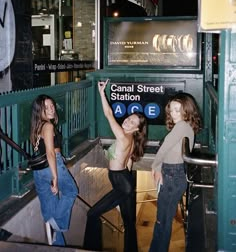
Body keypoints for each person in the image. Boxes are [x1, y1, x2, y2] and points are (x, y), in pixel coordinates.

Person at [83, 79, 147, 252]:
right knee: (128, 222)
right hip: (124, 179)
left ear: (136, 130)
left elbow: (109, 114)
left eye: (132, 122)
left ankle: (91, 248)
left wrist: (102, 93)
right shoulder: (131, 139)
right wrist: (129, 188)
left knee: (92, 213)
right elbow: (129, 162)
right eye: (129, 118)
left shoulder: (123, 136)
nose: (127, 121)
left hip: (121, 182)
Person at [149, 92, 201, 252]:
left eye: (178, 109)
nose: (174, 113)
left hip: (172, 174)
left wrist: (155, 166)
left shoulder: (182, 126)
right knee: (163, 220)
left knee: (162, 222)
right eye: (171, 110)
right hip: (174, 174)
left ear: (187, 109)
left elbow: (164, 148)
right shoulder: (186, 127)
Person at [30, 94, 78, 246]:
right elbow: (50, 152)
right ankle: (58, 223)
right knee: (71, 191)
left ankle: (57, 240)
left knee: (49, 205)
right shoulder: (48, 126)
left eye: (52, 106)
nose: (51, 109)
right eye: (46, 107)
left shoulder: (37, 126)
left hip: (39, 171)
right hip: (52, 165)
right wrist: (55, 178)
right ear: (40, 110)